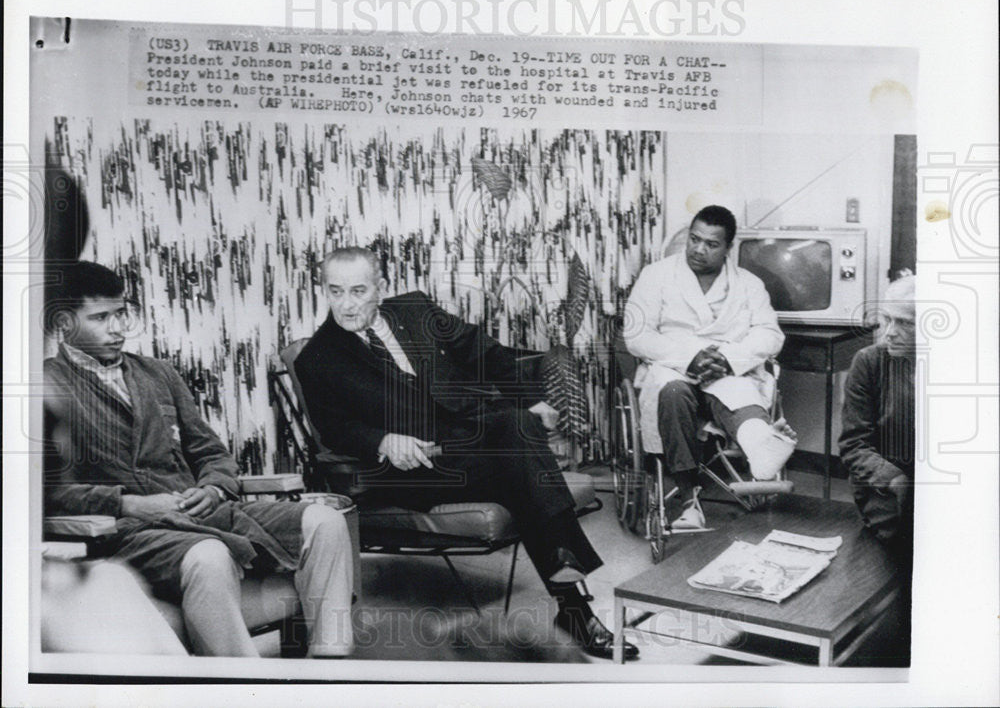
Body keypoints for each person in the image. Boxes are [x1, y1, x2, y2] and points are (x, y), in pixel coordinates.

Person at [294, 246, 639, 661]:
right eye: (335, 292)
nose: (346, 305)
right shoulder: (318, 358)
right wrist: (383, 440)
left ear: (381, 289)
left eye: (357, 291)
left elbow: (485, 352)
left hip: (464, 439)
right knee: (520, 456)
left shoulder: (416, 310)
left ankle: (572, 607)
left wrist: (530, 400)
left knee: (516, 427)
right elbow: (335, 429)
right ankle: (573, 608)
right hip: (408, 467)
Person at [43, 262, 354, 658]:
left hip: (203, 512)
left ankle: (329, 664)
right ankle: (243, 689)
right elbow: (43, 491)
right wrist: (125, 502)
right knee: (209, 555)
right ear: (65, 323)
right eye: (101, 318)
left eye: (121, 313)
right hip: (131, 533)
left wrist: (214, 486)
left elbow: (211, 452)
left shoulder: (157, 373)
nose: (118, 327)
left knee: (324, 521)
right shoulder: (48, 386)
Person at [624, 205, 796, 529]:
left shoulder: (749, 284)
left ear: (728, 248)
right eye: (694, 239)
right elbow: (636, 334)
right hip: (672, 367)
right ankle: (689, 501)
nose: (699, 250)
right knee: (673, 393)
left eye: (711, 244)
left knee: (738, 390)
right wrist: (688, 358)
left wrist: (729, 360)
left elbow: (769, 334)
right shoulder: (656, 276)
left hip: (727, 367)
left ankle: (762, 448)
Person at [839, 273, 915, 559]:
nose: (889, 332)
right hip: (884, 489)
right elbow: (854, 445)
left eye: (905, 323)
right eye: (887, 319)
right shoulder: (869, 362)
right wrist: (894, 480)